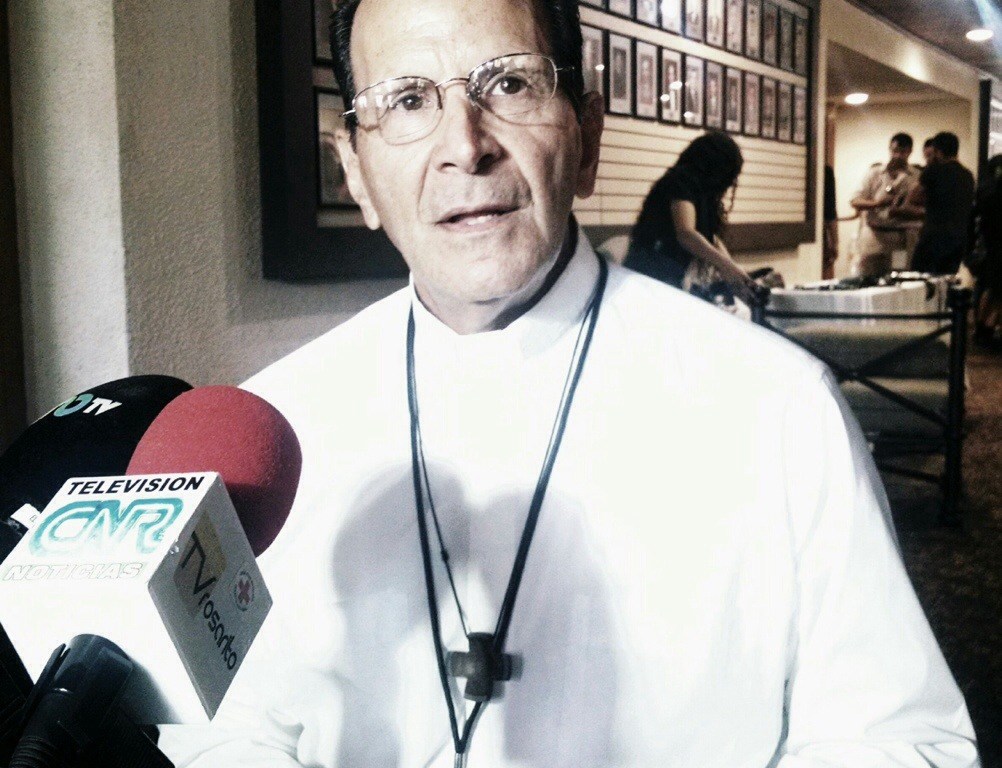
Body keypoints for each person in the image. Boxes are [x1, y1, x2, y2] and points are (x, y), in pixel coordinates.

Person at [161, 0, 979, 765]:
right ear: (356, 171)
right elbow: (222, 727)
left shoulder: (778, 406)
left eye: (509, 84)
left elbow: (898, 736)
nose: (465, 145)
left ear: (586, 137)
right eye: (407, 100)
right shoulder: (274, 427)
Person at [623, 132, 757, 301]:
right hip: (650, 275)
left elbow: (711, 238)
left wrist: (733, 271)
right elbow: (686, 233)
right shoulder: (679, 182)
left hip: (666, 274)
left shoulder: (700, 190)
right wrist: (727, 266)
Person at [894, 131, 975, 275]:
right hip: (959, 238)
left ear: (937, 151)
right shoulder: (967, 175)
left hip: (934, 237)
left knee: (920, 278)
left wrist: (930, 203)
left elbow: (913, 198)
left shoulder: (934, 170)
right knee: (946, 280)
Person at [848, 132, 919, 277]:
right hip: (874, 235)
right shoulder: (875, 173)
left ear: (910, 151)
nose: (897, 156)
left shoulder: (916, 175)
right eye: (894, 151)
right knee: (868, 277)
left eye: (903, 152)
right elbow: (855, 201)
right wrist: (877, 203)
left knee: (898, 278)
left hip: (900, 237)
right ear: (889, 149)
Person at [973, 154, 1002, 345]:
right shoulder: (997, 191)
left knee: (991, 289)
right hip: (998, 244)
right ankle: (988, 327)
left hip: (990, 244)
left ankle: (983, 327)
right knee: (996, 291)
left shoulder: (984, 189)